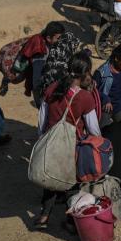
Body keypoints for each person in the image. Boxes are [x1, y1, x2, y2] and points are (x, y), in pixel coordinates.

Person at [34, 52, 101, 230]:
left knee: (51, 179)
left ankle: (44, 216)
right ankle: (71, 221)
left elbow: (42, 118)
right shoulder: (85, 97)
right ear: (85, 73)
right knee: (72, 183)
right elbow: (93, 128)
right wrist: (98, 143)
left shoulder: (52, 88)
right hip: (72, 145)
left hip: (51, 141)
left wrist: (42, 137)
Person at [93, 43, 121, 126]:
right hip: (105, 109)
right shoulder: (101, 73)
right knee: (104, 132)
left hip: (119, 106)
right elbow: (92, 90)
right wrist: (105, 98)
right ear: (116, 58)